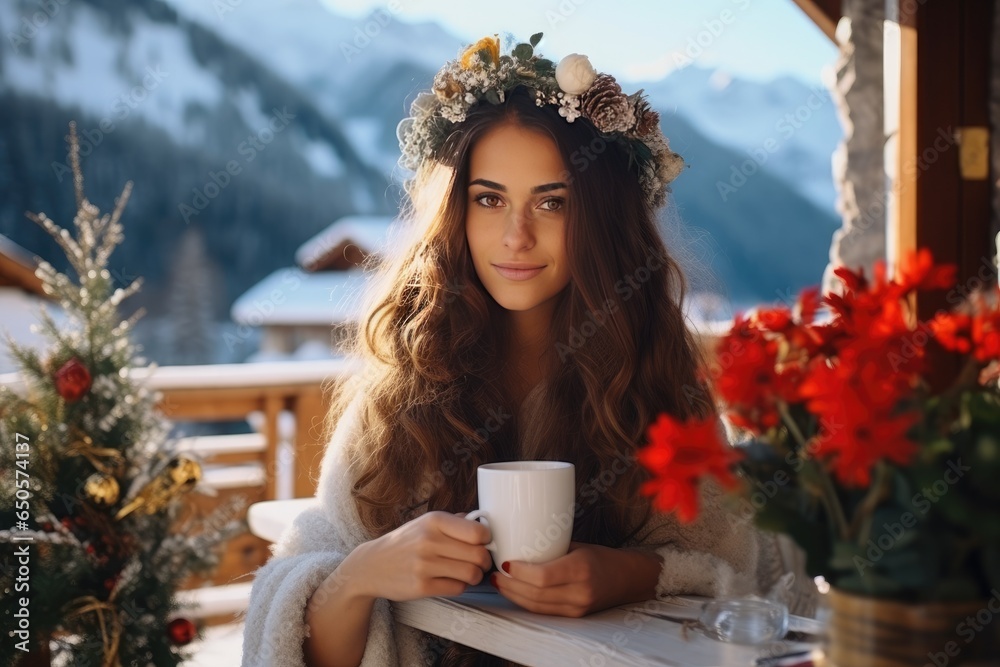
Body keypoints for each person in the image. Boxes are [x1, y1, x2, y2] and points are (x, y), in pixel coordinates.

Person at [241, 33, 816, 667]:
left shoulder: (658, 382)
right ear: (455, 215)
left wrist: (633, 574)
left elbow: (743, 579)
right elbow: (303, 629)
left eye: (553, 202)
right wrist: (360, 576)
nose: (516, 236)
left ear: (601, 219)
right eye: (489, 199)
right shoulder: (397, 392)